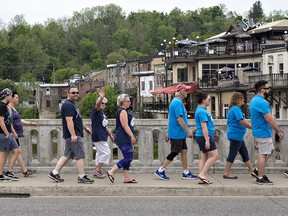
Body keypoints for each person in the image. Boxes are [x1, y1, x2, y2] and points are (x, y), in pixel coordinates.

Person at [48, 86, 94, 184]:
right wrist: (73, 135)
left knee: (68, 155)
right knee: (80, 155)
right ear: (68, 93)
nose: (76, 94)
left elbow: (78, 119)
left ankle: (54, 172)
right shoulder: (68, 105)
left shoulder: (73, 105)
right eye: (73, 93)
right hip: (73, 135)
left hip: (72, 134)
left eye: (77, 92)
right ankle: (82, 176)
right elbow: (69, 121)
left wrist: (85, 128)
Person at [154, 83, 197, 180]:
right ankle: (160, 170)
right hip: (178, 133)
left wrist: (168, 132)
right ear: (181, 92)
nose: (187, 92)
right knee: (174, 152)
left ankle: (185, 172)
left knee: (184, 150)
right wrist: (187, 131)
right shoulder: (177, 102)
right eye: (186, 90)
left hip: (178, 133)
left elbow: (171, 118)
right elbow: (179, 119)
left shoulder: (176, 102)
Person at [249, 80, 283, 185]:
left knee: (270, 150)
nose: (269, 90)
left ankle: (257, 170)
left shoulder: (254, 100)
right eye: (267, 88)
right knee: (263, 154)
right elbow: (269, 119)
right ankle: (260, 177)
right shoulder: (262, 102)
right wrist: (278, 131)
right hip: (263, 132)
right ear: (262, 90)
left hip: (259, 131)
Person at [223, 92, 256, 179]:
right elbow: (241, 121)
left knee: (244, 153)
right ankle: (226, 173)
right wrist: (252, 127)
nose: (244, 100)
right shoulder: (236, 109)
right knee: (232, 154)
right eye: (242, 99)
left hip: (237, 135)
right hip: (235, 135)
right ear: (238, 99)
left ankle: (252, 170)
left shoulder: (232, 109)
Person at [106, 94, 137, 183]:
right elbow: (124, 125)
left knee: (128, 157)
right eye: (128, 101)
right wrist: (132, 136)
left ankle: (127, 178)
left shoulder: (123, 111)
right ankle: (111, 171)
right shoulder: (122, 111)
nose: (130, 102)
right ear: (123, 102)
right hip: (123, 138)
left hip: (124, 137)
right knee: (129, 157)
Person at [8, 91, 37, 177]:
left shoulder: (13, 108)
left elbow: (19, 120)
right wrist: (13, 132)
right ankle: (10, 172)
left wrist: (30, 123)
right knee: (13, 152)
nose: (18, 99)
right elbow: (8, 122)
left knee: (17, 152)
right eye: (16, 98)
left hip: (15, 133)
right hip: (12, 133)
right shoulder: (8, 108)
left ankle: (24, 171)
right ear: (11, 98)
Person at [195, 91, 219, 184]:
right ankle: (202, 174)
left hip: (201, 136)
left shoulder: (200, 110)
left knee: (204, 157)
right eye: (209, 99)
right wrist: (207, 140)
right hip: (204, 136)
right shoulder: (201, 111)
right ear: (204, 100)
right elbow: (204, 126)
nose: (210, 101)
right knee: (215, 155)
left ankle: (201, 177)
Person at [90, 89, 114, 179]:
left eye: (105, 103)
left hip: (102, 135)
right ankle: (97, 170)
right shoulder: (95, 111)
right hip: (98, 135)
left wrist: (110, 135)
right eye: (102, 103)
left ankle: (97, 171)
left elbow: (104, 126)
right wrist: (101, 97)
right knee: (106, 153)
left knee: (100, 153)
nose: (103, 104)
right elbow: (97, 105)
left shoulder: (102, 113)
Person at [0, 88, 20, 182]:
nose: (11, 97)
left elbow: (9, 121)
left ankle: (9, 172)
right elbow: (1, 121)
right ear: (6, 96)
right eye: (10, 96)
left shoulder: (5, 106)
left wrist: (12, 132)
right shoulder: (2, 106)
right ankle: (0, 175)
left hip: (9, 133)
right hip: (4, 133)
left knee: (16, 150)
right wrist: (7, 133)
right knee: (2, 153)